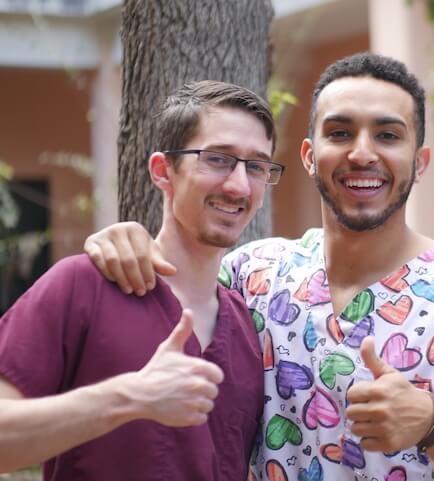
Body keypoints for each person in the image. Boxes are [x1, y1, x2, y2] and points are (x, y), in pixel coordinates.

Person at [84, 53, 434, 481]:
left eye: (388, 135)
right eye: (340, 132)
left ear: (419, 162)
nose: (362, 152)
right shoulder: (252, 277)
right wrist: (126, 240)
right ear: (310, 158)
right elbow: (177, 278)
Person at [0, 80, 284, 480]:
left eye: (256, 166)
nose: (239, 185)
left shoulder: (246, 325)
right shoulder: (83, 286)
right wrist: (129, 396)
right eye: (217, 159)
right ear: (162, 171)